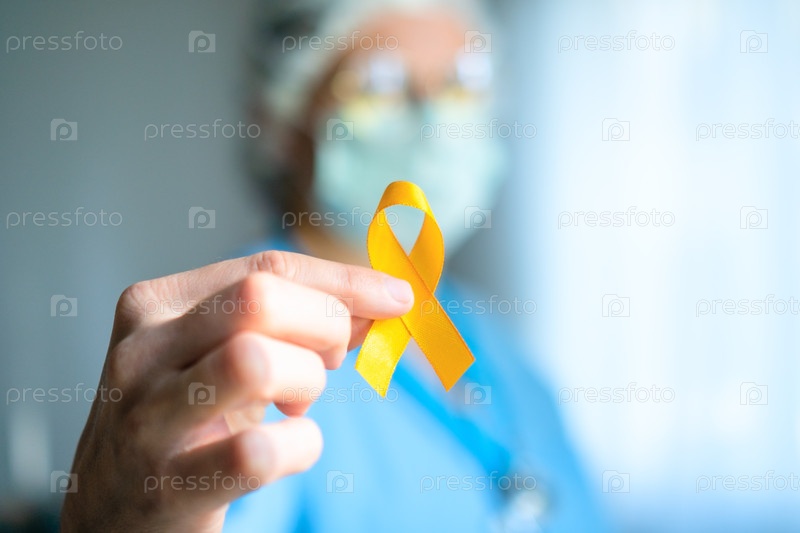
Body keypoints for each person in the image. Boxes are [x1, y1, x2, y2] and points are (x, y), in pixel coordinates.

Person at [62, 1, 608, 531]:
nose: (435, 120)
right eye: (381, 87)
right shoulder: (240, 346)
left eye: (461, 86)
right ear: (282, 121)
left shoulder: (499, 350)